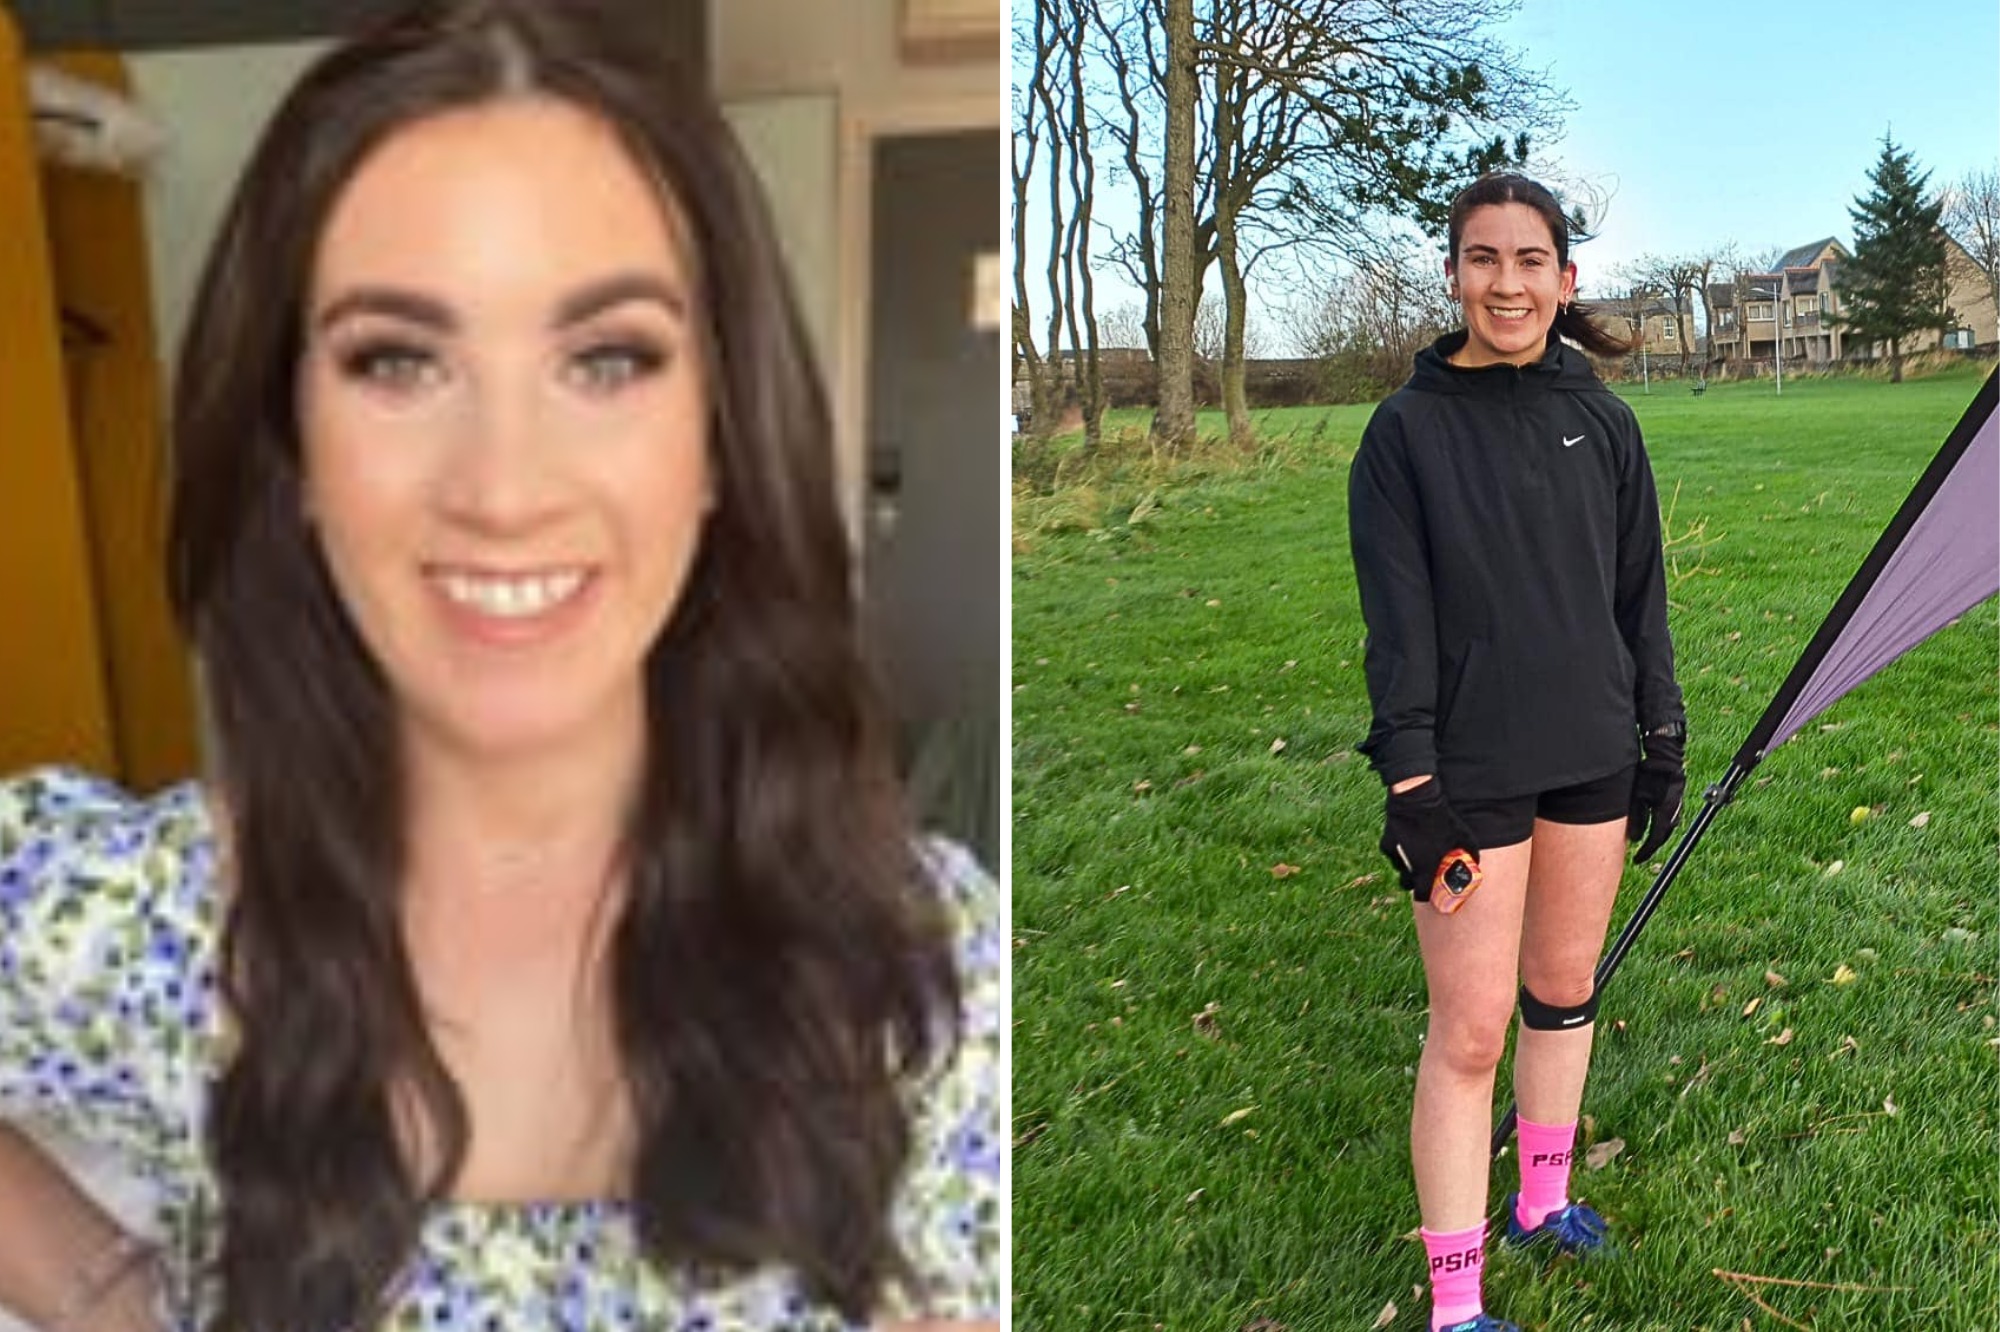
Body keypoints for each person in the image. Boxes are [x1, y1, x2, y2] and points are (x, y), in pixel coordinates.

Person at [0, 2, 1000, 1329]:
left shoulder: (917, 976)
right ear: (291, 443)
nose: (504, 486)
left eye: (607, 357)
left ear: (717, 435)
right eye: (398, 360)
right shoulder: (126, 920)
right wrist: (97, 1287)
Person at [1347, 173, 1686, 1332]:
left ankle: (1542, 1203)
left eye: (1528, 259)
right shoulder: (1404, 433)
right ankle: (1455, 1299)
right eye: (1482, 259)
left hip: (1589, 752)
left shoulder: (1601, 420)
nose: (1506, 281)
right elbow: (1395, 630)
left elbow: (1638, 596)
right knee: (1471, 1028)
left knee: (1560, 990)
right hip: (1469, 774)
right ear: (1451, 276)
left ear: (1564, 278)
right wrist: (1410, 787)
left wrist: (1661, 734)